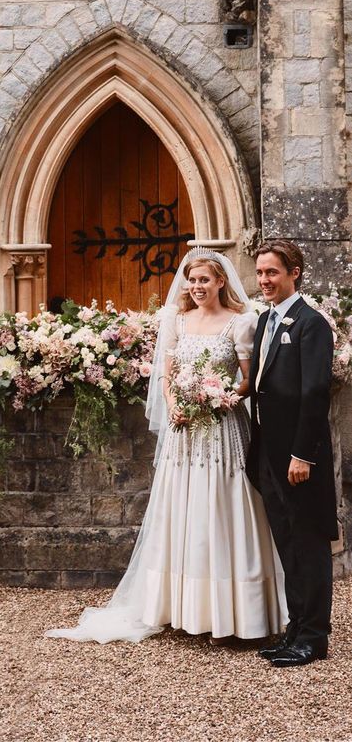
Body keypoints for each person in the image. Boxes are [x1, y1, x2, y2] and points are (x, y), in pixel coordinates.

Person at [47, 249, 285, 644]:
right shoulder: (176, 320)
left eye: (204, 280)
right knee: (184, 508)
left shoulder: (241, 323)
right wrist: (176, 405)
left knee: (224, 509)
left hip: (222, 430)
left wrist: (221, 397)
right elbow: (166, 376)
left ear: (221, 282)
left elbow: (249, 379)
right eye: (192, 280)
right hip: (184, 433)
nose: (197, 287)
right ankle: (181, 607)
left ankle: (235, 612)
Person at [247, 240, 337, 667]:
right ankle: (295, 628)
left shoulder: (311, 323)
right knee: (287, 544)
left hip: (300, 460)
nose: (264, 280)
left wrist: (303, 454)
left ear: (294, 272)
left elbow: (315, 393)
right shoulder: (266, 320)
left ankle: (314, 637)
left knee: (309, 543)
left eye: (272, 273)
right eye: (261, 272)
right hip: (269, 453)